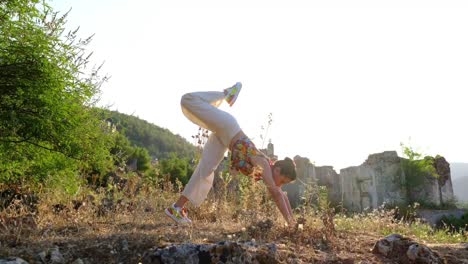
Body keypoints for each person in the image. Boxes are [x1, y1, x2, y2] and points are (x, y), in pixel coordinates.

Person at [164, 82, 297, 225]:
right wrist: (291, 224)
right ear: (277, 170)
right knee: (188, 100)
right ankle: (226, 94)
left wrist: (294, 223)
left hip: (224, 140)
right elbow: (277, 194)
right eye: (283, 181)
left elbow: (282, 195)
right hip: (229, 127)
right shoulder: (263, 164)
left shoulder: (269, 171)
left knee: (206, 170)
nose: (281, 185)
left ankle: (176, 208)